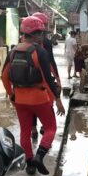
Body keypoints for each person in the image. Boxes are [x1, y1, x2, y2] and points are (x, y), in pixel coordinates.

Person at [2, 16, 65, 175]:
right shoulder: (39, 51)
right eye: (41, 33)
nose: (42, 36)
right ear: (36, 34)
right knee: (51, 128)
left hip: (20, 99)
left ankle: (29, 164)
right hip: (39, 98)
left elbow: (4, 76)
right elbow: (47, 78)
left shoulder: (13, 51)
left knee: (25, 131)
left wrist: (11, 94)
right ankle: (39, 156)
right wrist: (57, 99)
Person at [31, 12, 61, 140]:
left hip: (28, 81)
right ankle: (45, 126)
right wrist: (58, 79)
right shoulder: (46, 43)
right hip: (43, 79)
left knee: (31, 106)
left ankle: (33, 129)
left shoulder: (22, 43)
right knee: (48, 102)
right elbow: (51, 63)